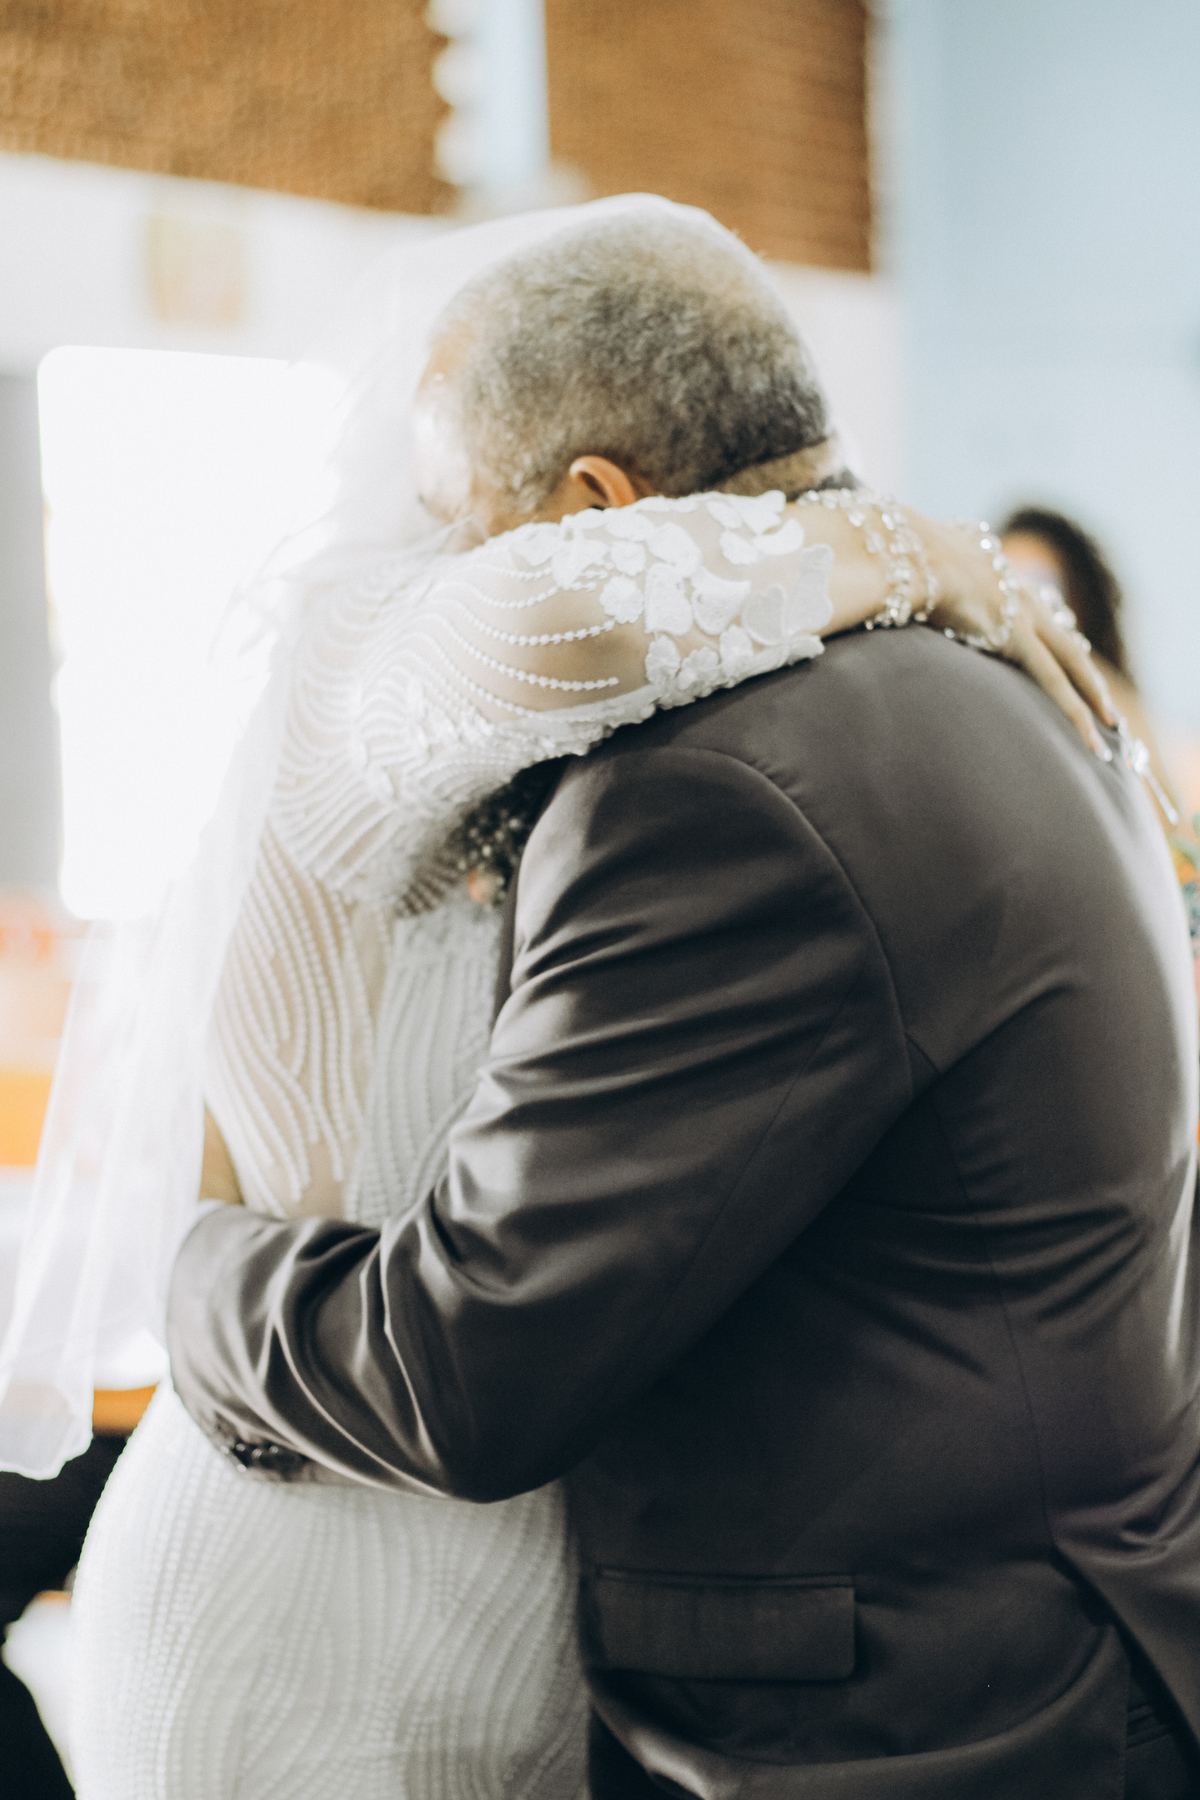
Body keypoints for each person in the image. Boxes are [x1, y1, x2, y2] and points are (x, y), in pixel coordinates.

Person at [3, 199, 1115, 1798]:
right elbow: (587, 601)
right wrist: (913, 546)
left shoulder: (612, 755)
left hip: (500, 1592)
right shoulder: (372, 647)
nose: (448, 549)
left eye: (460, 507)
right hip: (316, 1573)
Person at [1001, 505, 1181, 825]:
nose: (1018, 605)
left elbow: (1169, 827)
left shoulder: (1115, 708)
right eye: (1002, 580)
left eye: (1039, 587)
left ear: (1080, 606)